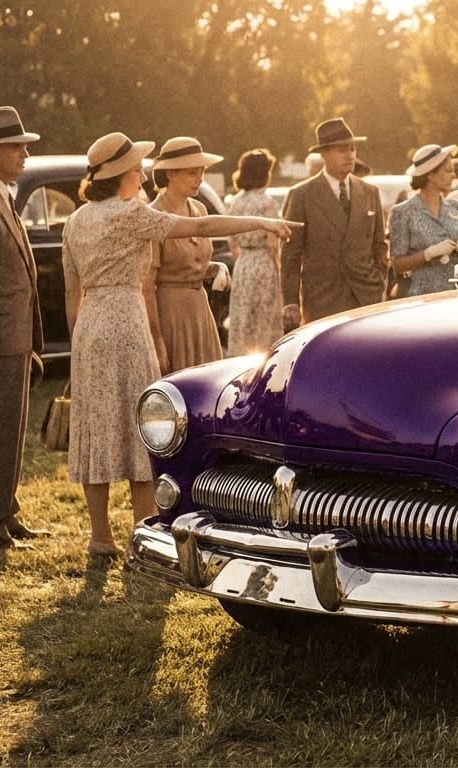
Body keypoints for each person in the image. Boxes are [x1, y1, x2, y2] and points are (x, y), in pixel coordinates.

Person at [63, 131, 292, 556]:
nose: (142, 173)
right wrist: (259, 222)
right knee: (140, 424)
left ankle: (100, 537)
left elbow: (70, 290)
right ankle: (141, 529)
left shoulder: (76, 220)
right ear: (121, 176)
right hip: (127, 323)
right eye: (137, 167)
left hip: (90, 327)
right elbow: (202, 225)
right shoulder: (131, 214)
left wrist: (79, 339)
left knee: (95, 426)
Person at [0, 105, 48, 553]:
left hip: (12, 335)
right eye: (17, 146)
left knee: (11, 429)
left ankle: (5, 511)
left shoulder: (0, 193)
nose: (25, 153)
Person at [280, 117, 389, 329]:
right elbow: (290, 253)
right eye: (342, 150)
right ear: (324, 154)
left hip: (366, 297)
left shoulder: (369, 192)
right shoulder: (302, 195)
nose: (350, 155)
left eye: (352, 149)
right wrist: (291, 300)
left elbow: (379, 245)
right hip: (323, 300)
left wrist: (378, 282)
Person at [150, 137, 228, 373]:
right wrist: (157, 339)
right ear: (171, 173)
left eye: (201, 171)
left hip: (200, 309)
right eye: (191, 172)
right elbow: (147, 285)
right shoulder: (155, 215)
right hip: (171, 313)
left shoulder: (199, 209)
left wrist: (216, 268)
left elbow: (190, 261)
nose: (199, 179)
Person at [388, 144, 458, 296]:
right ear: (430, 174)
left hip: (451, 295)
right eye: (448, 170)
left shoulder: (456, 208)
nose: (453, 175)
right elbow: (397, 265)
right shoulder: (402, 212)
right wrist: (428, 253)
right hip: (416, 297)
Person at [226, 148, 285, 356]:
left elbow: (231, 241)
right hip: (263, 262)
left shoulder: (236, 201)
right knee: (264, 321)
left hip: (243, 263)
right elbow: (272, 243)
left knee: (242, 320)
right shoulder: (266, 202)